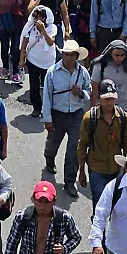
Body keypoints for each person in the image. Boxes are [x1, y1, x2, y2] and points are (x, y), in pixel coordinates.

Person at [41, 41, 90, 195]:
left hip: (76, 115)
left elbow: (88, 92)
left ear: (77, 56)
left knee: (74, 149)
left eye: (71, 55)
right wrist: (47, 119)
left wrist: (81, 93)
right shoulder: (52, 72)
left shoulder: (83, 72)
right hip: (58, 114)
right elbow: (47, 97)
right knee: (53, 143)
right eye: (66, 54)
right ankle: (49, 159)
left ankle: (69, 181)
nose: (68, 58)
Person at [77, 80, 127, 209]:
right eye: (106, 99)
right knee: (99, 206)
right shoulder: (89, 118)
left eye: (112, 98)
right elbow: (82, 145)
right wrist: (81, 170)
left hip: (116, 169)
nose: (109, 102)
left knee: (116, 207)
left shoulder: (124, 118)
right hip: (96, 170)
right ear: (99, 99)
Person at [1, 181, 81, 254]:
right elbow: (12, 245)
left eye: (47, 202)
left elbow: (76, 237)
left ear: (54, 201)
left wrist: (64, 248)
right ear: (33, 199)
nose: (42, 206)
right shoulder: (23, 217)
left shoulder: (64, 218)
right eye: (39, 201)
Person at [19, 5, 59, 119]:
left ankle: (48, 109)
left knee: (48, 86)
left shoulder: (52, 28)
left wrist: (43, 30)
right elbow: (24, 43)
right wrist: (22, 59)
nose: (37, 20)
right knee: (34, 85)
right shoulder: (30, 27)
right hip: (33, 60)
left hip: (48, 61)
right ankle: (36, 108)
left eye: (40, 17)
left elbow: (51, 42)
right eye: (35, 17)